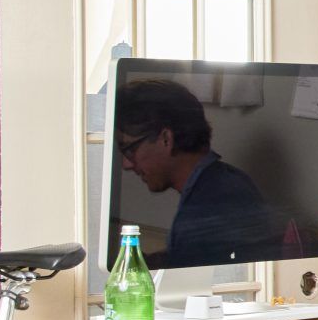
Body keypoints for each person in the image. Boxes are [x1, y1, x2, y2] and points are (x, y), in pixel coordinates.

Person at [113, 78, 300, 268]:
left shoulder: (205, 211)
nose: (126, 164)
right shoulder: (229, 180)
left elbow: (193, 277)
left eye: (129, 149)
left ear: (166, 139)